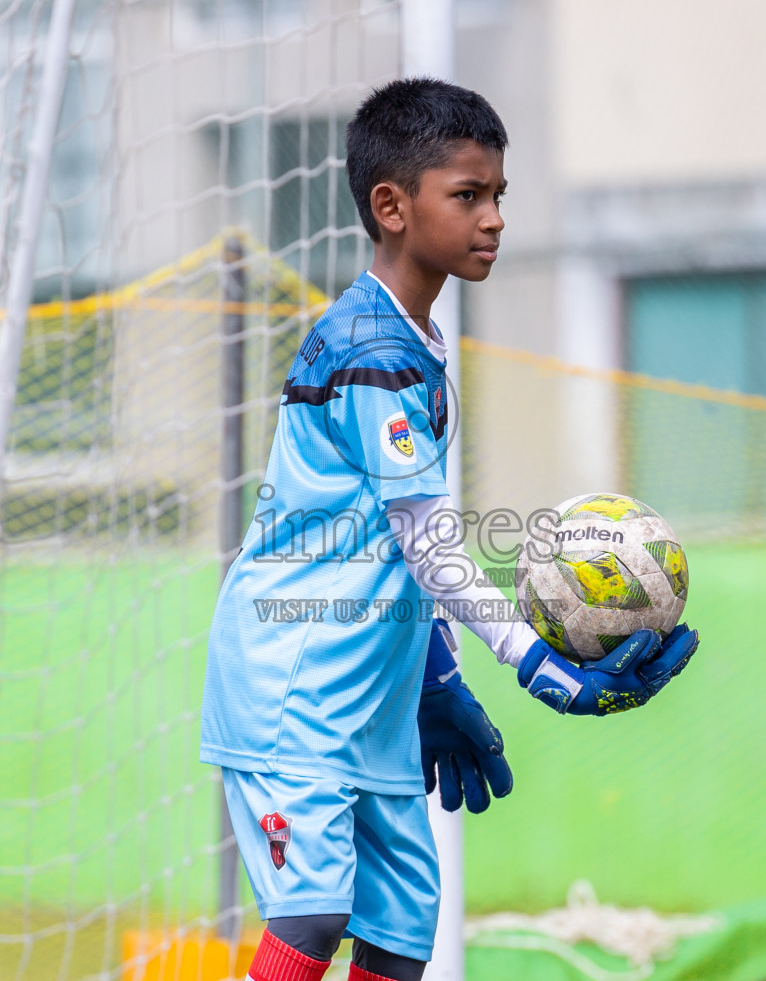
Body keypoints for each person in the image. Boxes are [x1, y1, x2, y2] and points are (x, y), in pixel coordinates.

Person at [200, 77, 699, 981]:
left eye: (499, 194)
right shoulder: (374, 352)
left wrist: (434, 681)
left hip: (369, 692)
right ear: (392, 206)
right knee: (312, 917)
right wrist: (537, 662)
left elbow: (392, 545)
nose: (494, 217)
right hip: (291, 682)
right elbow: (431, 547)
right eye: (467, 195)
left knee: (398, 934)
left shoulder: (416, 344)